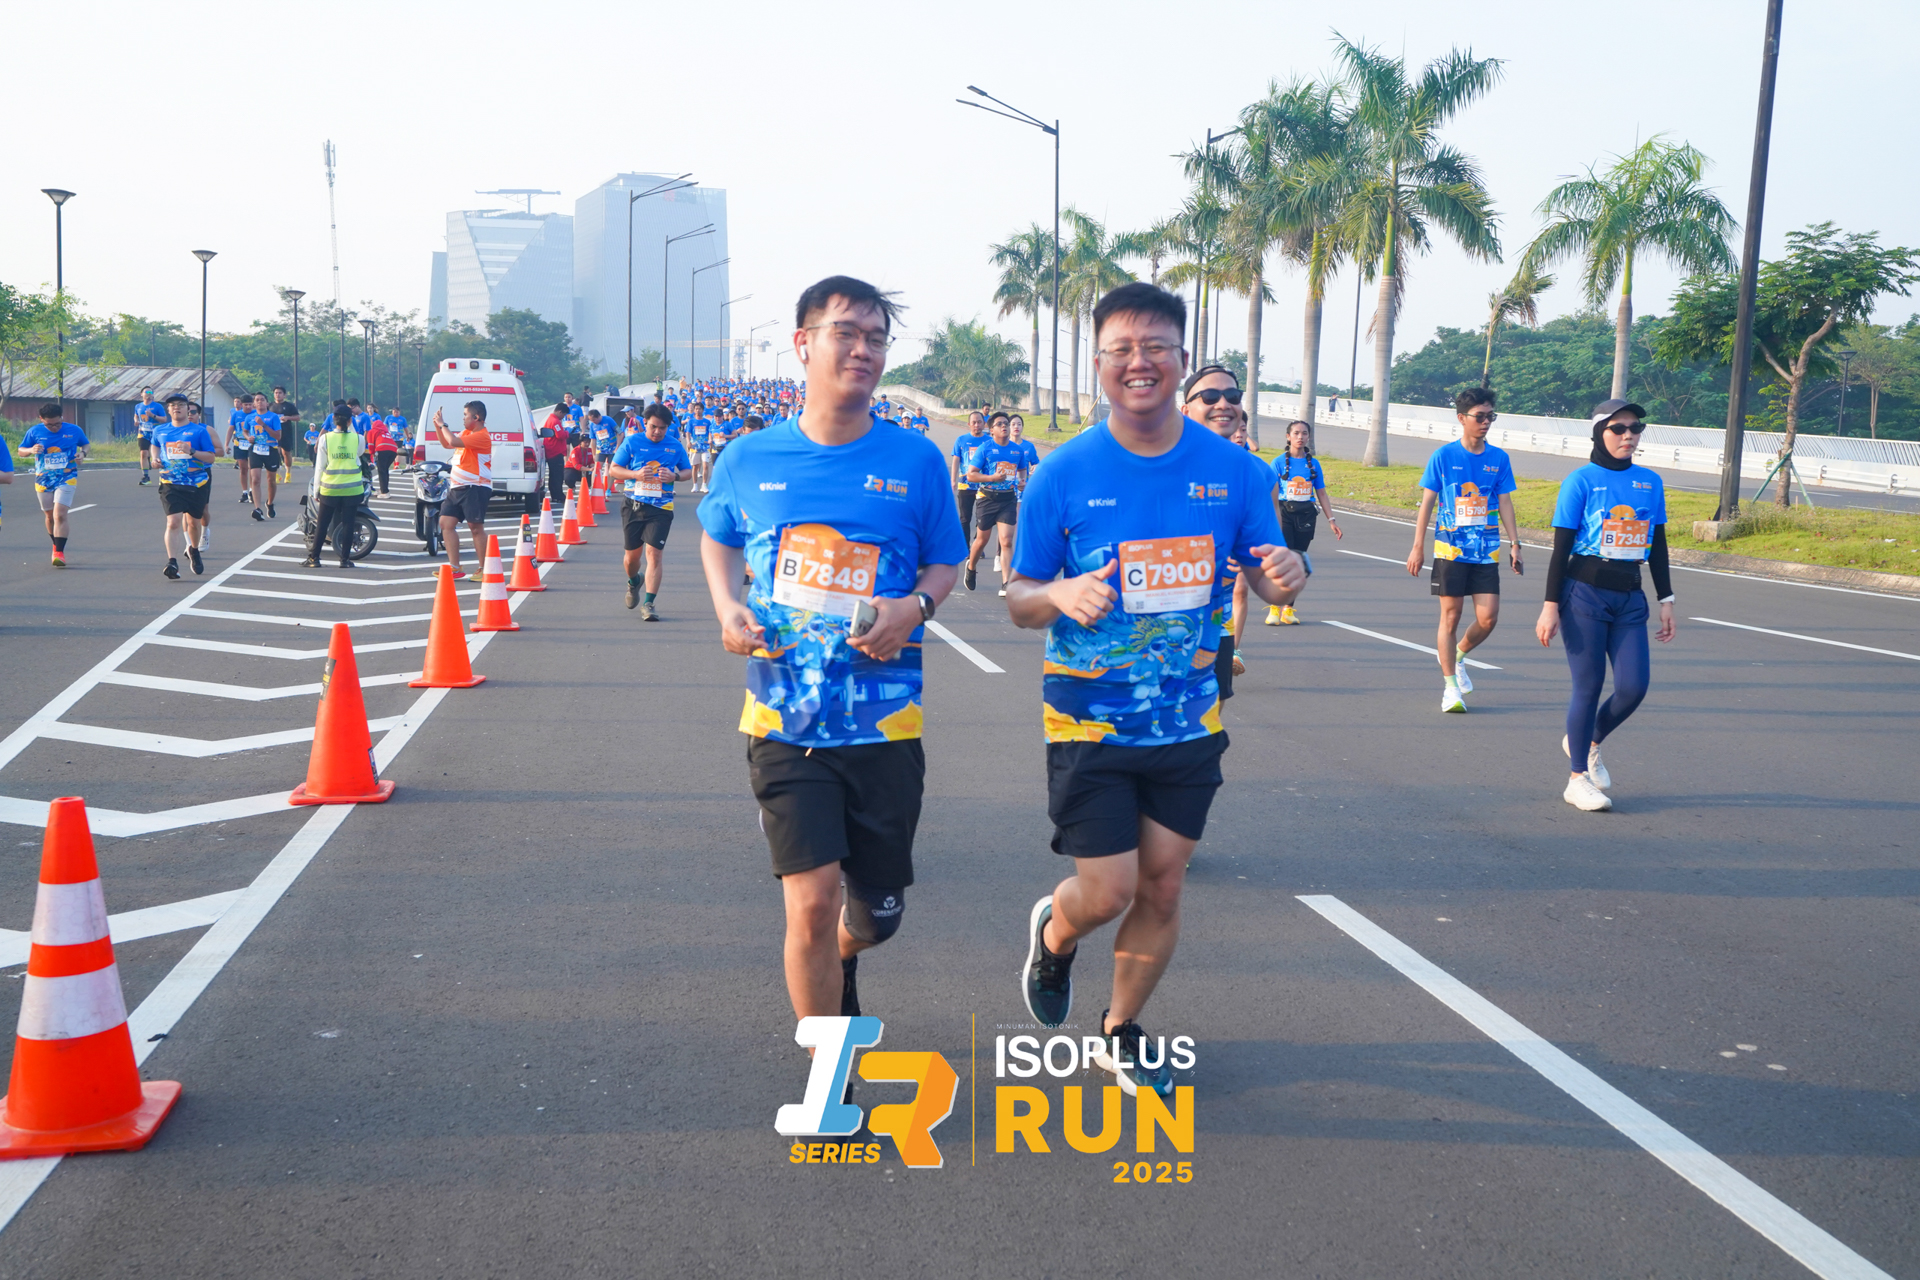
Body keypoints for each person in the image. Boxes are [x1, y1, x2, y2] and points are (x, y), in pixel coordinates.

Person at [1005, 283, 1304, 1097]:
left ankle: (1120, 1029)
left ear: (1181, 357)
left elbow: (1271, 577)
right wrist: (1060, 592)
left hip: (1187, 718)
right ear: (1099, 361)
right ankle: (1057, 932)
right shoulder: (1062, 473)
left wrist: (1290, 570)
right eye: (1122, 349)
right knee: (1109, 891)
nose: (1139, 362)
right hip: (1088, 723)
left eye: (1156, 347)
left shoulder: (1236, 472)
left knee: (1164, 883)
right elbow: (1019, 598)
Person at [698, 275, 964, 1030]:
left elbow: (944, 562)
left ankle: (847, 954)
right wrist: (727, 607)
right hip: (783, 720)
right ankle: (828, 1064)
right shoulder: (747, 458)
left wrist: (915, 607)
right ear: (803, 344)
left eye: (876, 338)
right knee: (810, 904)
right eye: (845, 332)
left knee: (876, 918)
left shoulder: (916, 460)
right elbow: (719, 535)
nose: (863, 350)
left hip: (885, 725)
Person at [1537, 399, 1675, 813]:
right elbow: (1561, 549)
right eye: (1619, 428)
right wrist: (1550, 605)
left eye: (1636, 428)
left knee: (1634, 686)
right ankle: (1577, 778)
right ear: (1599, 433)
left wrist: (1666, 599)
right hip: (1584, 593)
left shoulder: (1650, 482)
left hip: (1630, 595)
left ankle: (1588, 740)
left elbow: (1658, 546)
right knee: (1589, 685)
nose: (1629, 435)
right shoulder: (1580, 481)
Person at [1405, 387, 1520, 713]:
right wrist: (1417, 547)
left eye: (1490, 416)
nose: (1486, 422)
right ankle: (1450, 688)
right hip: (1451, 550)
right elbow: (1427, 504)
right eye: (1479, 416)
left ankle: (1458, 656)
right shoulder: (1443, 456)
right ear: (1461, 418)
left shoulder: (1499, 459)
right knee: (1451, 616)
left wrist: (1515, 543)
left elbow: (1505, 502)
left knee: (1488, 618)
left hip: (1486, 550)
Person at [1181, 366, 1255, 691]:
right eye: (1210, 396)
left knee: (1213, 706)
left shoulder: (1253, 474)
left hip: (1218, 622)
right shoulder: (1158, 464)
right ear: (1186, 410)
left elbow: (1266, 551)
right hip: (1161, 624)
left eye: (1232, 396)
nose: (1223, 403)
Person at [609, 404, 692, 618]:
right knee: (631, 559)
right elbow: (613, 469)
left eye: (662, 428)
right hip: (633, 505)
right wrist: (635, 474)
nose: (657, 432)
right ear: (645, 423)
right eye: (654, 426)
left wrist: (675, 476)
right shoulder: (632, 441)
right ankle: (634, 581)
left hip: (661, 507)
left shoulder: (674, 445)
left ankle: (649, 603)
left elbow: (687, 471)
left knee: (654, 554)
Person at [1267, 420, 1342, 624]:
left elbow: (1321, 493)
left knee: (1298, 563)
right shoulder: (1278, 462)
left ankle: (1288, 610)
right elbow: (1269, 493)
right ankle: (1274, 607)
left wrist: (1332, 520)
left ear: (1308, 437)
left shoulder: (1314, 464)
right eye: (1296, 433)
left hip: (1306, 515)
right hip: (1284, 513)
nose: (1300, 437)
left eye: (1304, 433)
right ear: (1288, 436)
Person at [150, 393, 217, 578]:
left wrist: (192, 451)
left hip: (196, 483)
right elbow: (155, 445)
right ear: (168, 409)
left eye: (180, 404)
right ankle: (172, 562)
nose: (176, 408)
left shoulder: (199, 431)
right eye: (172, 405)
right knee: (173, 522)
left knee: (194, 523)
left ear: (188, 409)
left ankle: (194, 550)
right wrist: (155, 459)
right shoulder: (160, 430)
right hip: (170, 483)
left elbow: (211, 457)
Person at [962, 411, 1025, 595]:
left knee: (1006, 541)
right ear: (991, 430)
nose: (1004, 426)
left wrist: (1022, 482)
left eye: (1006, 423)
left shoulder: (1017, 450)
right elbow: (971, 475)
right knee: (982, 540)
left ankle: (1006, 583)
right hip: (987, 498)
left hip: (1008, 499)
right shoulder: (985, 449)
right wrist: (992, 478)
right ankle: (971, 566)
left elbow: (1022, 471)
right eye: (999, 424)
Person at [20, 403, 89, 568]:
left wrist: (82, 453)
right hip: (43, 479)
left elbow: (85, 444)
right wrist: (30, 450)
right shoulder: (34, 431)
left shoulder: (74, 430)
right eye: (49, 425)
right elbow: (21, 451)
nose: (54, 428)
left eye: (58, 423)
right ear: (41, 419)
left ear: (62, 418)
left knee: (60, 514)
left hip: (67, 477)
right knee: (50, 516)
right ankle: (55, 544)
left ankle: (59, 552)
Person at [432, 400, 492, 580]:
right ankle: (455, 567)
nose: (463, 418)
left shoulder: (482, 436)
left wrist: (443, 424)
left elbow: (452, 440)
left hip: (475, 487)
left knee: (475, 527)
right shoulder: (466, 433)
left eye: (466, 415)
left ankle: (484, 568)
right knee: (445, 523)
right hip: (457, 487)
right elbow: (447, 444)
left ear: (476, 417)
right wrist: (438, 426)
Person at [305, 405, 370, 569]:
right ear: (350, 421)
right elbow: (359, 453)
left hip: (330, 488)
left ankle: (314, 558)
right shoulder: (358, 439)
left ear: (333, 419)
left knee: (322, 523)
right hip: (352, 489)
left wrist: (316, 490)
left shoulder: (325, 439)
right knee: (348, 523)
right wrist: (351, 426)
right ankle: (344, 560)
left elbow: (320, 467)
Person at [949, 409, 989, 548]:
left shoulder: (989, 441)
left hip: (984, 486)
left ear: (984, 424)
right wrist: (953, 480)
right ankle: (965, 547)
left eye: (979, 422)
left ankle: (978, 546)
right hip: (965, 485)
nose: (977, 425)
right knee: (965, 518)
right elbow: (956, 461)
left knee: (982, 519)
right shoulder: (961, 440)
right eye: (974, 422)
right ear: (969, 424)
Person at [244, 393, 283, 521]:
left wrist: (263, 425)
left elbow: (278, 436)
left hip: (270, 449)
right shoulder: (250, 417)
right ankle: (258, 509)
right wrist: (248, 437)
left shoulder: (273, 417)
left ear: (267, 403)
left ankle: (270, 503)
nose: (260, 402)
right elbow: (245, 431)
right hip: (255, 449)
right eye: (257, 400)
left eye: (262, 400)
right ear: (254, 403)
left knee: (271, 480)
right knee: (255, 479)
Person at [134, 388, 167, 485]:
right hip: (143, 433)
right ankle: (146, 477)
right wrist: (136, 420)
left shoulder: (157, 406)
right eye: (147, 392)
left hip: (155, 434)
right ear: (141, 394)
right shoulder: (138, 406)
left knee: (157, 456)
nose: (149, 394)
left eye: (151, 392)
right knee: (143, 453)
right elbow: (136, 415)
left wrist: (152, 415)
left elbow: (164, 419)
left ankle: (163, 476)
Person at [226, 392, 253, 503]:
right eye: (246, 404)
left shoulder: (256, 414)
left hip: (252, 444)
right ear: (241, 405)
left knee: (252, 468)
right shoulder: (236, 415)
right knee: (243, 468)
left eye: (250, 404)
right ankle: (245, 492)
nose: (248, 407)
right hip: (239, 443)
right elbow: (230, 429)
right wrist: (226, 444)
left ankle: (252, 491)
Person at [367, 410, 399, 496]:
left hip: (382, 449)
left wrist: (372, 454)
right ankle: (384, 490)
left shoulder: (372, 431)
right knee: (385, 470)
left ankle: (384, 492)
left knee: (381, 471)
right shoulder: (386, 432)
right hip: (393, 450)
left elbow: (370, 445)